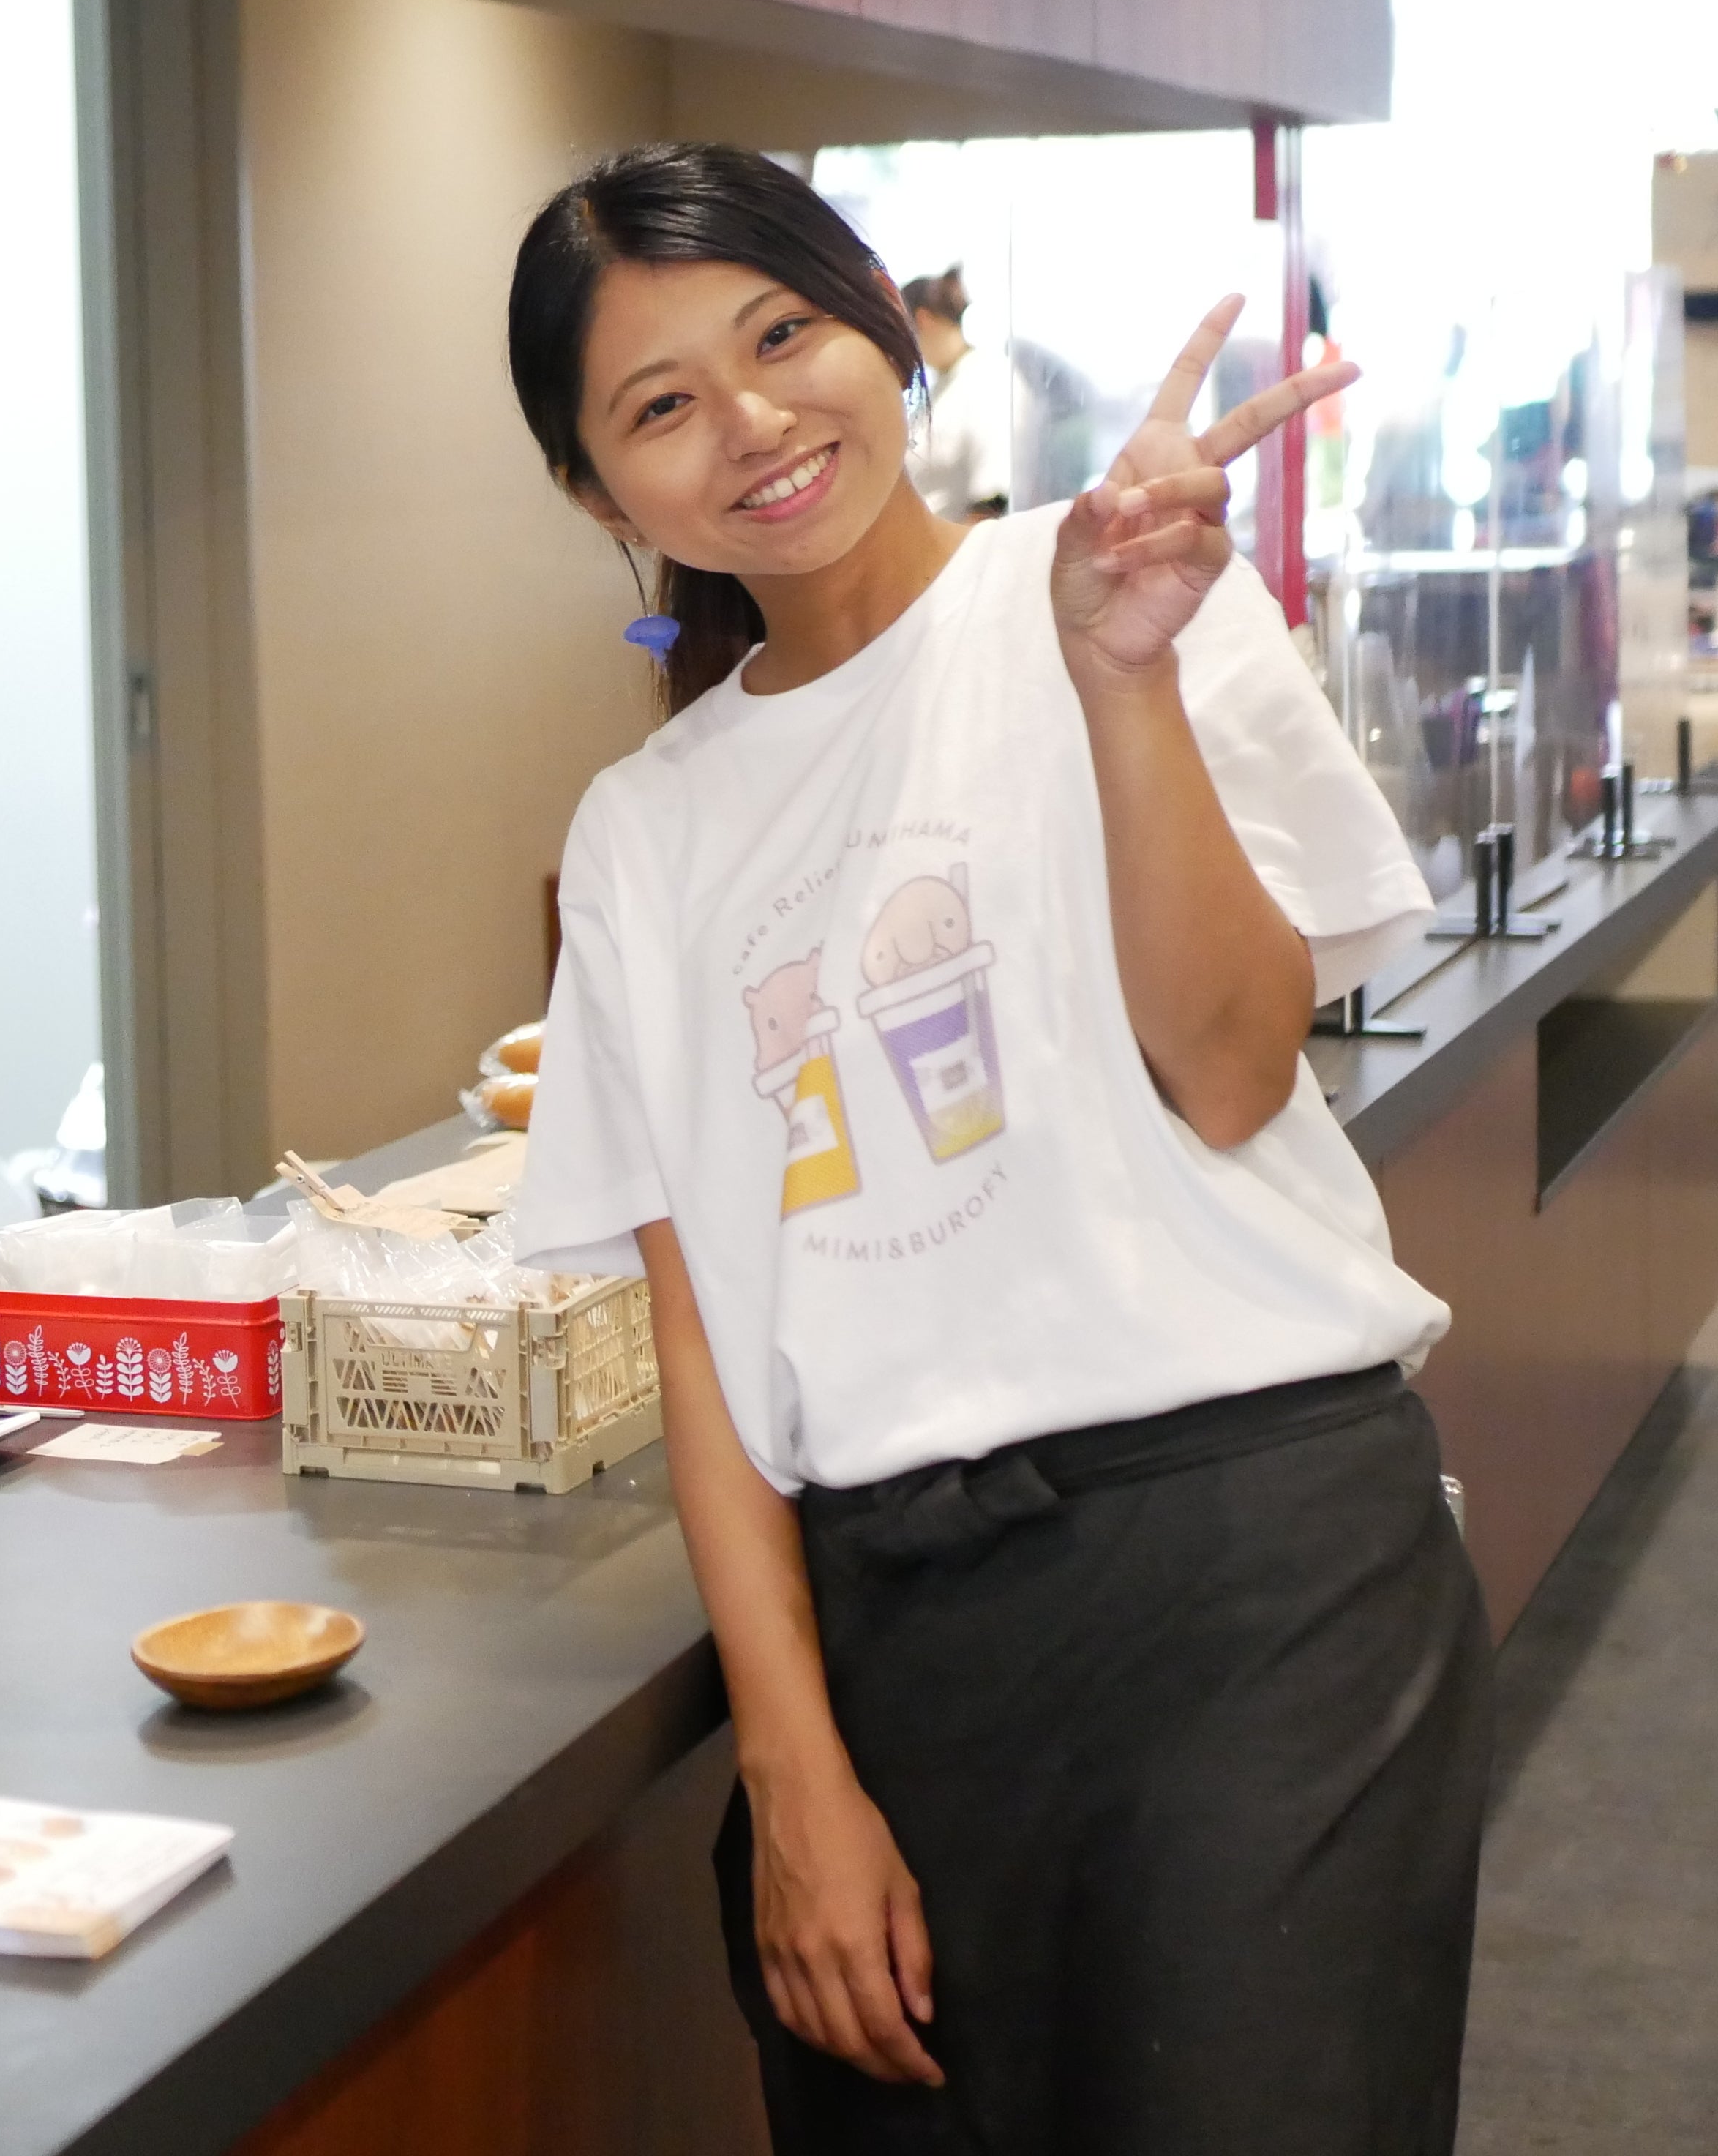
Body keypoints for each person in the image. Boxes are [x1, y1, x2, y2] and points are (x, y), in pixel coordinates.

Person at [504, 143, 1488, 2153]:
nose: (753, 421)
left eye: (784, 333)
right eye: (663, 404)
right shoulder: (644, 830)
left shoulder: (1128, 584)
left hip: (1259, 1565)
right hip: (899, 1632)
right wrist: (790, 1770)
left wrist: (1122, 676)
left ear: (886, 323)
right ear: (600, 495)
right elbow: (703, 1341)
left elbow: (1232, 1067)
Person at [898, 267, 1010, 520]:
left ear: (923, 320)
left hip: (964, 539)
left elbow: (993, 499)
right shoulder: (943, 386)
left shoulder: (989, 380)